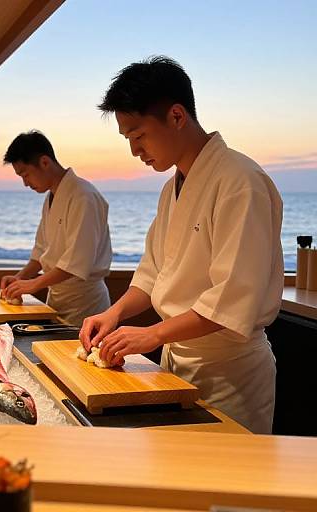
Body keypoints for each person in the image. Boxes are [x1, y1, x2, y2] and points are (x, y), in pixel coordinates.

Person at [79, 56, 283, 434]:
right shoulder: (172, 187)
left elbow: (231, 298)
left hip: (229, 373)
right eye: (128, 140)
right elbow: (154, 273)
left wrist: (153, 334)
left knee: (225, 486)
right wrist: (116, 314)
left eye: (139, 136)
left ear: (176, 116)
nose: (135, 151)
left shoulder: (242, 182)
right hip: (175, 362)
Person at [1, 130, 112, 326]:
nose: (25, 183)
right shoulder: (51, 196)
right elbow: (41, 252)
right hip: (57, 300)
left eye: (25, 174)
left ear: (45, 162)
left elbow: (76, 263)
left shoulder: (83, 196)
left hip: (85, 302)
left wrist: (33, 284)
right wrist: (19, 279)